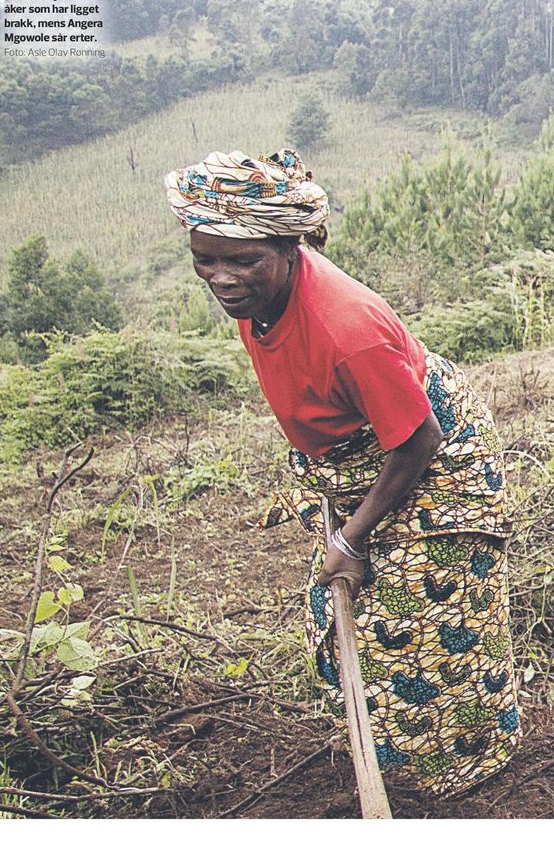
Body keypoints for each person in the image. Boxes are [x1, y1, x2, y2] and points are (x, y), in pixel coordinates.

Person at [164, 148, 521, 799]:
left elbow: (418, 440)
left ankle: (458, 774)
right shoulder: (259, 297)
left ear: (289, 248)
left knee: (419, 620)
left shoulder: (346, 328)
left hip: (433, 461)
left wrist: (352, 540)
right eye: (205, 259)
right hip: (367, 455)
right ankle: (387, 753)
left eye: (242, 260)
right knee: (334, 612)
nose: (220, 276)